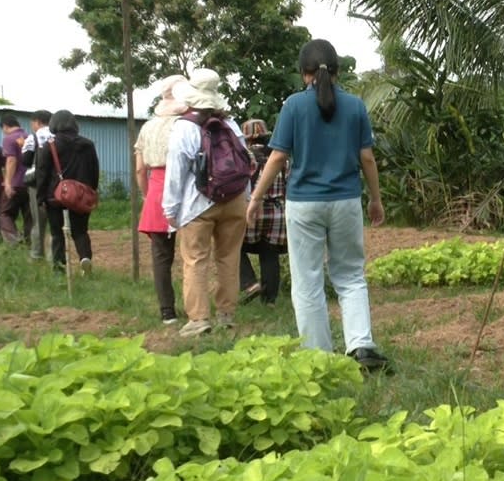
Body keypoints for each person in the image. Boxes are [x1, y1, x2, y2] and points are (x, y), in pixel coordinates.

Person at [246, 39, 390, 373]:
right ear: (336, 71)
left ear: (303, 73)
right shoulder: (355, 106)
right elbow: (366, 157)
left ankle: (318, 355)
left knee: (307, 279)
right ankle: (361, 346)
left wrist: (255, 198)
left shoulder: (294, 106)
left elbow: (278, 156)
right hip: (345, 201)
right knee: (351, 275)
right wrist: (376, 199)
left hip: (304, 204)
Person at [163, 68, 248, 337]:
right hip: (235, 200)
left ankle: (199, 319)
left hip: (198, 203)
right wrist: (246, 198)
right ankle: (226, 314)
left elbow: (176, 173)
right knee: (229, 258)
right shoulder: (231, 125)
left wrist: (170, 209)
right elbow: (245, 163)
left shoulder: (184, 127)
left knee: (196, 259)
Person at [134, 76, 188, 325]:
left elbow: (139, 169)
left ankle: (167, 312)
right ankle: (196, 309)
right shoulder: (186, 124)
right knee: (194, 254)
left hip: (156, 191)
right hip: (187, 190)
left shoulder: (148, 128)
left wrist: (148, 195)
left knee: (161, 257)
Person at [35, 109, 100, 274]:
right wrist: (91, 191)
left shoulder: (49, 146)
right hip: (81, 196)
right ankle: (85, 259)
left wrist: (41, 197)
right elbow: (94, 170)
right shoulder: (88, 145)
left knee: (57, 234)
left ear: (54, 124)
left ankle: (59, 269)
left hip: (55, 197)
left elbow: (41, 173)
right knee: (80, 231)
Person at [239, 118, 287, 306]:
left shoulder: (243, 156)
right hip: (276, 212)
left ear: (247, 139)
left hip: (251, 209)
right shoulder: (280, 156)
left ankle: (249, 282)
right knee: (270, 253)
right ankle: (270, 301)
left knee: (234, 247)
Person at [20, 110, 53, 261]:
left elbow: (26, 161)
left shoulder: (33, 138)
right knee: (56, 222)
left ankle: (37, 255)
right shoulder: (56, 136)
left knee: (39, 221)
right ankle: (55, 256)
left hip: (37, 184)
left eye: (32, 123)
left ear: (37, 122)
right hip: (56, 184)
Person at [0, 114, 32, 246]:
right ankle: (29, 244)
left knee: (4, 213)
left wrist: (7, 183)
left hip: (16, 183)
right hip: (30, 183)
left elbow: (11, 160)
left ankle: (14, 241)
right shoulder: (29, 137)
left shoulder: (9, 138)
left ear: (5, 126)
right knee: (29, 216)